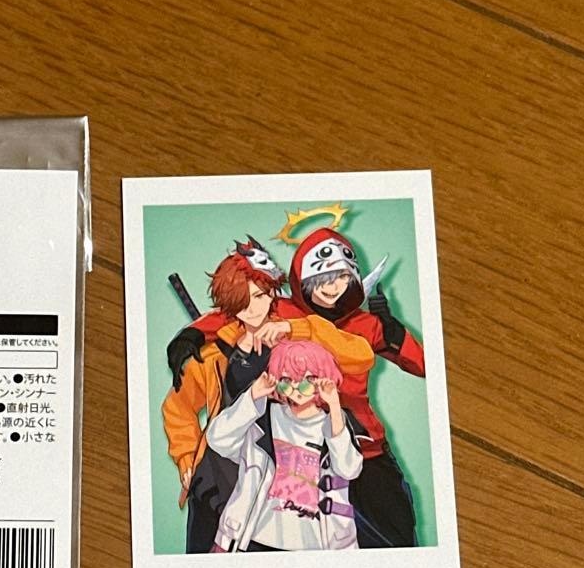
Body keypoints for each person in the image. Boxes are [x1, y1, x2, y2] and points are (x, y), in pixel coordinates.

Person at [169, 223, 424, 547]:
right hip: (286, 445)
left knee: (396, 535)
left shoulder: (366, 326)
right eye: (321, 279)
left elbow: (408, 362)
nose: (332, 287)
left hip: (361, 446)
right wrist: (192, 334)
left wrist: (394, 333)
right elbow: (237, 310)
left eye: (341, 277)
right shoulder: (279, 309)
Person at [206, 339, 362, 552]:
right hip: (252, 539)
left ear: (324, 379)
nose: (297, 388)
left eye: (308, 380)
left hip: (318, 546)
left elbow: (349, 469)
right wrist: (252, 396)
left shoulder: (335, 424)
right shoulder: (263, 418)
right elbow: (217, 440)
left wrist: (334, 406)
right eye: (287, 381)